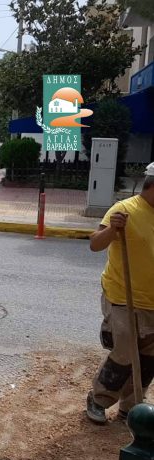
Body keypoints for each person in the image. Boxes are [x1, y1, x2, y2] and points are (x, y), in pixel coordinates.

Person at [86, 162, 154, 425]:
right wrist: (113, 230)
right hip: (123, 296)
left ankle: (132, 406)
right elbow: (94, 243)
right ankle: (99, 399)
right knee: (125, 350)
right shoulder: (125, 209)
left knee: (149, 357)